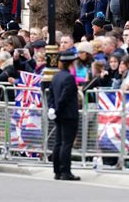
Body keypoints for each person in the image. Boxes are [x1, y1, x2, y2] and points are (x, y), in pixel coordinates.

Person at [48, 50, 80, 181]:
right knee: (66, 144)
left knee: (58, 142)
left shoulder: (56, 76)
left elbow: (51, 95)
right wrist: (58, 109)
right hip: (68, 114)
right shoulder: (69, 78)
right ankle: (65, 171)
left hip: (58, 113)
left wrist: (53, 109)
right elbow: (64, 97)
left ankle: (57, 171)